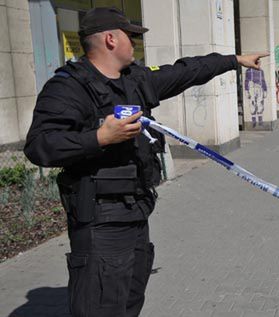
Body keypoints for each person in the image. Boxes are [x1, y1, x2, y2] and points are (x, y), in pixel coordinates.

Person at [23, 7, 266, 317]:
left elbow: (183, 71)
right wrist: (99, 137)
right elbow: (39, 145)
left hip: (136, 209)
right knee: (101, 305)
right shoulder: (68, 87)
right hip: (100, 219)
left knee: (130, 300)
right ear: (110, 39)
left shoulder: (133, 79)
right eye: (131, 36)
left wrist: (233, 61)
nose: (135, 43)